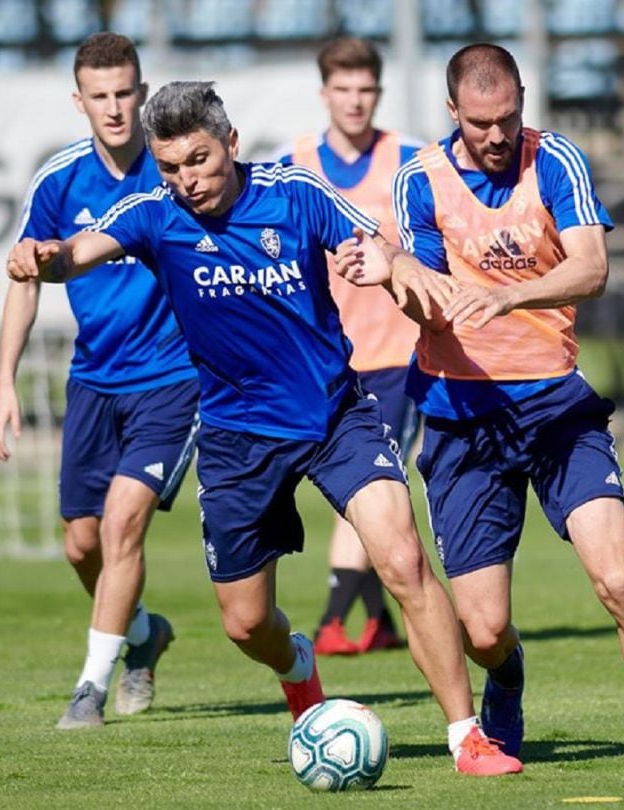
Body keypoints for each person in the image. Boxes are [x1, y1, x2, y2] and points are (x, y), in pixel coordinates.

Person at [6, 80, 522, 776]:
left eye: (198, 161)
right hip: (235, 440)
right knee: (247, 624)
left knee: (402, 559)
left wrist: (398, 267)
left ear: (231, 144)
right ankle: (299, 666)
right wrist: (43, 258)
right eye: (172, 168)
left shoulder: (294, 194)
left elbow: (375, 246)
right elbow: (76, 253)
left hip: (336, 417)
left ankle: (467, 737)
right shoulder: (155, 214)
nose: (188, 181)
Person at [375, 42, 624, 771]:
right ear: (452, 114)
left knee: (617, 579)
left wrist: (508, 294)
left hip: (556, 409)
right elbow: (426, 300)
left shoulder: (555, 160)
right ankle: (507, 674)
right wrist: (397, 276)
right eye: (479, 123)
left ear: (523, 101)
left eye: (507, 117)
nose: (497, 135)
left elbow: (592, 267)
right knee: (483, 628)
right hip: (460, 418)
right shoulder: (422, 181)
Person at [0, 32, 199, 730]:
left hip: (171, 378)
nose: (114, 109)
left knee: (121, 523)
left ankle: (91, 687)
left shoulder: (174, 171)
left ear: (142, 94)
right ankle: (143, 633)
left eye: (125, 93)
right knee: (80, 542)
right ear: (79, 101)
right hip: (93, 381)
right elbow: (25, 277)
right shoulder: (59, 181)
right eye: (100, 96)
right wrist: (4, 383)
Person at [274, 37, 421, 656]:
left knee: (367, 484)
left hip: (396, 354)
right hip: (325, 359)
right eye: (344, 89)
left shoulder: (410, 163)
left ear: (378, 94)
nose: (355, 101)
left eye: (365, 90)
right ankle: (379, 619)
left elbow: (431, 249)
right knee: (348, 491)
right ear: (324, 93)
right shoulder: (293, 167)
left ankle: (334, 619)